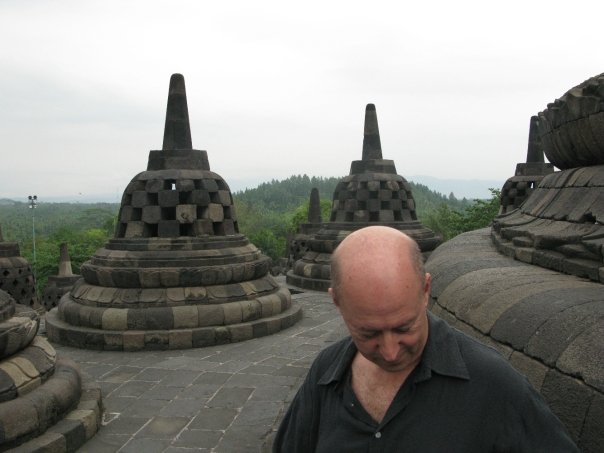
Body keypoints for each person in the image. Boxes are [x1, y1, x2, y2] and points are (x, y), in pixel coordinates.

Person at [273, 226, 579, 452]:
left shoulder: (494, 385)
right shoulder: (326, 375)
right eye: (369, 334)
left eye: (404, 328)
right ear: (336, 301)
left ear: (426, 290)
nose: (391, 352)